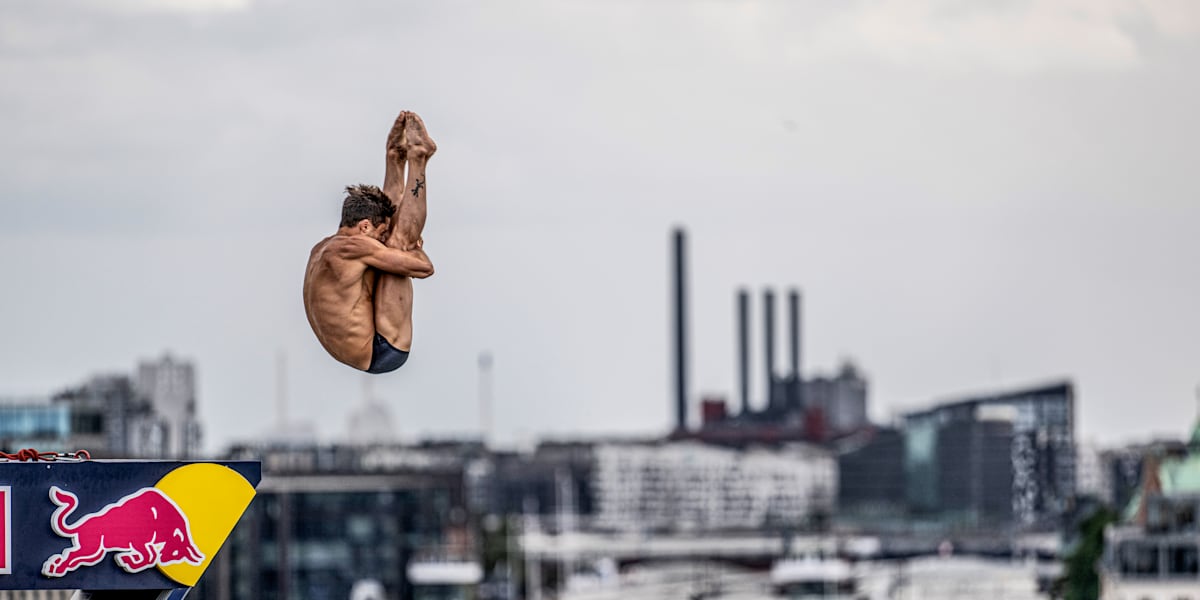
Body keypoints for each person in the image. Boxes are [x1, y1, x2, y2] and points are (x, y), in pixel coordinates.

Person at [303, 111, 437, 373]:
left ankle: (395, 158)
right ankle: (418, 159)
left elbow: (380, 231)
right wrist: (416, 252)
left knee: (390, 244)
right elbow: (424, 269)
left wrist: (393, 161)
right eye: (379, 232)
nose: (382, 238)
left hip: (358, 346)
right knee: (399, 244)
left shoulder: (323, 247)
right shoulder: (354, 248)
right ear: (364, 226)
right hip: (382, 349)